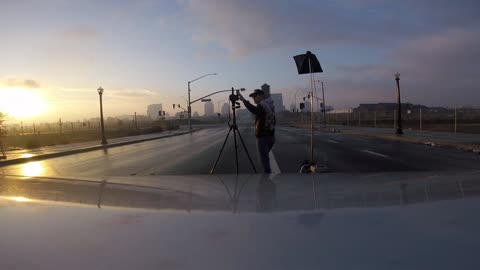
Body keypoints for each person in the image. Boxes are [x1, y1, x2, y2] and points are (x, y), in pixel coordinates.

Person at [238, 89, 276, 174]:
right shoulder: (270, 105)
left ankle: (267, 180)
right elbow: (273, 121)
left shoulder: (262, 105)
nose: (253, 98)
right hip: (271, 136)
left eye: (255, 96)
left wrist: (243, 100)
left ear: (261, 96)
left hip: (263, 137)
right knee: (264, 157)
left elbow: (254, 110)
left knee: (264, 160)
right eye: (252, 97)